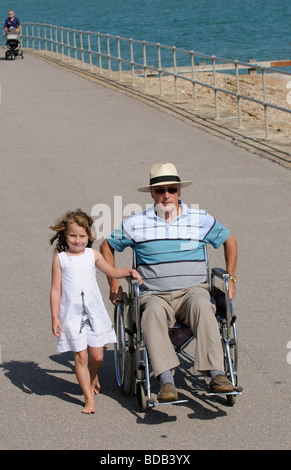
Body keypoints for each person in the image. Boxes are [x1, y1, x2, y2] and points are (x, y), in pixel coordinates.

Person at [100, 163, 238, 403]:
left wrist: (231, 277)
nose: (166, 195)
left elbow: (229, 240)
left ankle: (217, 374)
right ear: (152, 194)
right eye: (160, 190)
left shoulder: (199, 219)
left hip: (192, 292)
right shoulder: (136, 223)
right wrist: (114, 284)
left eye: (171, 189)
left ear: (179, 192)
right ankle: (165, 380)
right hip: (154, 295)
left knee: (203, 304)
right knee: (151, 312)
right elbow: (106, 246)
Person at [50, 209, 142, 414]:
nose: (77, 240)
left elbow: (110, 272)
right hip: (71, 314)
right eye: (72, 235)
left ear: (89, 237)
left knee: (98, 356)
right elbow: (56, 290)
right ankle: (88, 397)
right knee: (81, 357)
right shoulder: (61, 259)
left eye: (82, 236)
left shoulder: (93, 255)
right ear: (65, 235)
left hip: (93, 311)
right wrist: (55, 317)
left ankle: (92, 376)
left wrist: (128, 271)